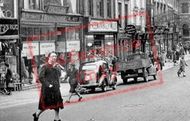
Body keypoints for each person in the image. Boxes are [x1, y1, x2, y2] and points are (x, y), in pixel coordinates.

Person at [33, 52, 63, 121]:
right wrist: (48, 84)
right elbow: (41, 77)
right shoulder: (45, 66)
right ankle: (37, 114)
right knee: (45, 104)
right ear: (49, 57)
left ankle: (57, 118)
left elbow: (59, 75)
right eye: (52, 56)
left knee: (57, 104)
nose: (54, 58)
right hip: (47, 89)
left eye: (55, 56)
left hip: (55, 88)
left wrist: (57, 67)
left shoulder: (56, 66)